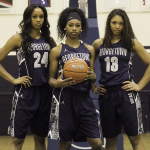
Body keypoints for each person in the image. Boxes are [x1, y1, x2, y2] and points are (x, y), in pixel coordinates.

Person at [0, 4, 56, 150]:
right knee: (18, 141)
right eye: (35, 16)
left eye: (41, 17)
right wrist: (13, 79)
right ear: (28, 18)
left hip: (44, 94)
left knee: (40, 140)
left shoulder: (49, 40)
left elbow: (57, 64)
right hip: (25, 94)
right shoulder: (18, 38)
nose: (38, 20)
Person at [92, 9, 150, 150]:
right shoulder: (98, 43)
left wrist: (140, 85)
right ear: (108, 23)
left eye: (121, 23)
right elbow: (88, 68)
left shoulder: (131, 43)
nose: (117, 26)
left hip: (126, 94)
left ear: (125, 25)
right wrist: (93, 87)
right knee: (110, 141)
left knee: (135, 139)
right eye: (114, 22)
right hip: (106, 94)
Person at [48, 7, 102, 150]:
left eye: (77, 25)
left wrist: (94, 79)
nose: (74, 28)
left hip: (84, 99)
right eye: (70, 25)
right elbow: (51, 80)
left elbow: (92, 79)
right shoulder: (57, 50)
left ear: (81, 27)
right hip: (65, 99)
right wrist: (57, 83)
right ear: (64, 27)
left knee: (97, 143)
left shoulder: (89, 49)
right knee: (65, 144)